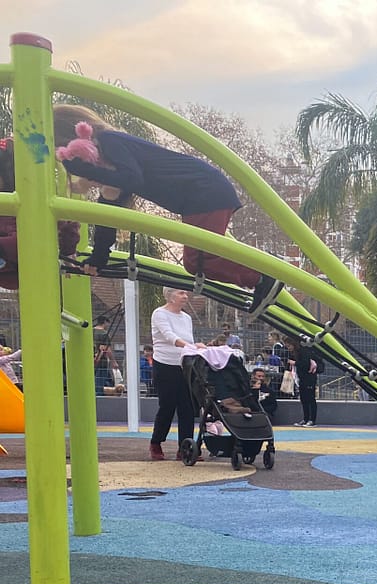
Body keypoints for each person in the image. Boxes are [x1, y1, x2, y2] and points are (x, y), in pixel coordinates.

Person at [51, 105, 277, 310]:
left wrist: (89, 172)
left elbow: (132, 178)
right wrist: (98, 257)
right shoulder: (115, 169)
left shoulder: (110, 141)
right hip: (200, 197)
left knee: (199, 260)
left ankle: (262, 275)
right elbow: (108, 217)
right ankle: (260, 275)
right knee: (197, 260)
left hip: (205, 192)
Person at [0, 136, 81, 289]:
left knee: (33, 237)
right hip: (10, 268)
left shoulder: (32, 199)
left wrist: (68, 251)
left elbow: (67, 223)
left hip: (28, 257)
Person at [150, 287, 204, 461]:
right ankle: (156, 442)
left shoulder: (187, 318)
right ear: (170, 296)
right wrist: (191, 346)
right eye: (181, 293)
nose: (185, 296)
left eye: (186, 293)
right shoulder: (160, 314)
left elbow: (189, 340)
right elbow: (169, 336)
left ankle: (185, 447)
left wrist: (196, 348)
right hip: (165, 365)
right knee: (167, 406)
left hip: (185, 365)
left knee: (187, 407)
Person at [283, 335, 323, 427]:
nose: (288, 348)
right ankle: (305, 419)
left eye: (289, 346)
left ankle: (312, 420)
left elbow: (305, 364)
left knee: (310, 399)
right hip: (301, 378)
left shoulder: (304, 351)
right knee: (304, 399)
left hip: (309, 378)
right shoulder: (295, 353)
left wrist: (295, 363)